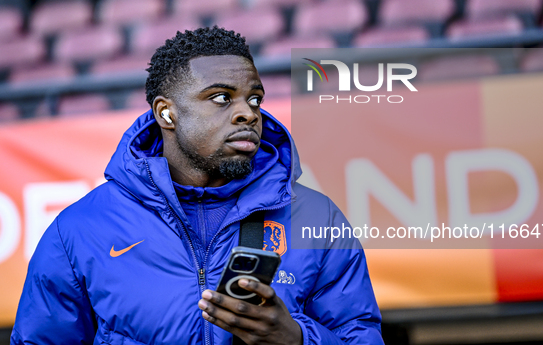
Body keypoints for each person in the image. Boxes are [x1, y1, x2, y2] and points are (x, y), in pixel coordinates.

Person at [11, 27, 383, 345]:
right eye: (221, 97)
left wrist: (297, 339)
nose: (248, 113)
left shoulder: (318, 217)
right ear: (166, 113)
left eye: (254, 98)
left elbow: (361, 335)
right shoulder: (80, 229)